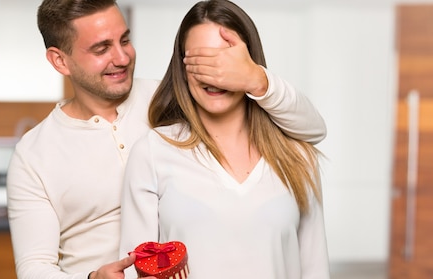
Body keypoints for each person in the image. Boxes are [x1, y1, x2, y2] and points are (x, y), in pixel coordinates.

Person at [7, 0, 327, 278]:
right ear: (59, 60)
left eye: (125, 40)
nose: (121, 58)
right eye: (101, 48)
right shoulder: (34, 154)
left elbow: (310, 130)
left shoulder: (173, 98)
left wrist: (255, 78)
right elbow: (34, 267)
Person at [118, 1, 330, 278]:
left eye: (224, 61)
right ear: (181, 69)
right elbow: (137, 266)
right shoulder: (153, 152)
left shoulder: (297, 156)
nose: (214, 74)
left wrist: (256, 79)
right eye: (199, 62)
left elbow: (315, 269)